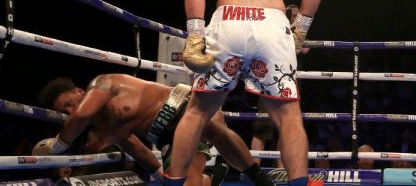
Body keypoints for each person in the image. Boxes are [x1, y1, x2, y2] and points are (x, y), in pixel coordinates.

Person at [172, 0, 325, 185]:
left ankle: (172, 181)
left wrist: (195, 36)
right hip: (273, 24)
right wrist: (300, 31)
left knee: (197, 111)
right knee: (288, 116)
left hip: (229, 19)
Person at [34, 74, 273, 186]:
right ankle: (213, 176)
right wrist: (160, 174)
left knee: (211, 130)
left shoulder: (101, 83)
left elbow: (81, 114)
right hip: (166, 138)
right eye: (64, 111)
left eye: (68, 103)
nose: (70, 111)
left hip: (182, 104)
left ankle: (257, 177)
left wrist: (58, 145)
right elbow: (136, 148)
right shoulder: (105, 126)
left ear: (78, 91)